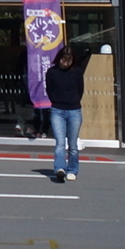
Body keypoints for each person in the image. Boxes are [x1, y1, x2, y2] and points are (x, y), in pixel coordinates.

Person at [44, 45, 85, 182]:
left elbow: (80, 90)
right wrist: (56, 101)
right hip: (57, 110)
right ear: (59, 58)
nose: (65, 62)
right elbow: (49, 90)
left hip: (74, 110)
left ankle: (72, 170)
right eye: (63, 59)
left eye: (69, 59)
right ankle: (59, 168)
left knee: (73, 144)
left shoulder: (77, 72)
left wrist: (73, 101)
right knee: (60, 142)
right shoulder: (51, 72)